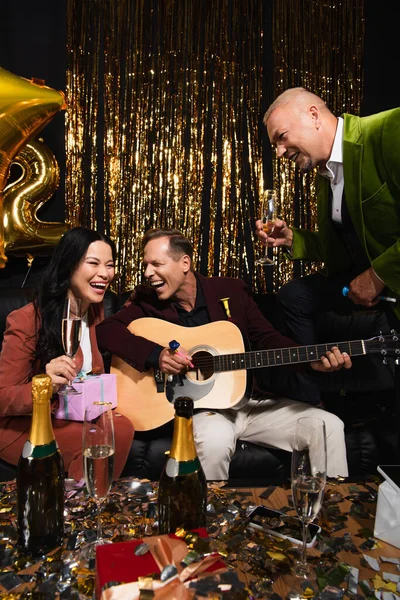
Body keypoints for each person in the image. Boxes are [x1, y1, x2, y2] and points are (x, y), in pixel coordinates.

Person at [96, 227, 352, 480]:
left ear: (184, 263)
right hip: (205, 413)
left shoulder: (230, 290)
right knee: (214, 440)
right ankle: (209, 519)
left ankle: (331, 516)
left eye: (156, 264)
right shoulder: (148, 304)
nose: (147, 273)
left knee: (329, 426)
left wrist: (311, 363)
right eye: (145, 265)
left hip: (252, 405)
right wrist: (156, 354)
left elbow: (268, 339)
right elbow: (106, 331)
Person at [255, 87, 400, 348]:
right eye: (275, 145)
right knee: (293, 297)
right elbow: (344, 247)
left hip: (389, 277)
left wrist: (378, 276)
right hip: (364, 283)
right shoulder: (325, 173)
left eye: (282, 137)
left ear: (313, 116)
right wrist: (290, 240)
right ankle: (312, 375)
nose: (278, 153)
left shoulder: (387, 128)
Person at [0, 227, 135, 481]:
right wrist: (44, 384)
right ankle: (77, 511)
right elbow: (2, 397)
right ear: (69, 265)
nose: (104, 274)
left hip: (72, 415)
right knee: (100, 437)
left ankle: (85, 504)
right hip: (22, 425)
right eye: (93, 263)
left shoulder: (94, 311)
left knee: (121, 426)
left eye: (110, 265)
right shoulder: (27, 320)